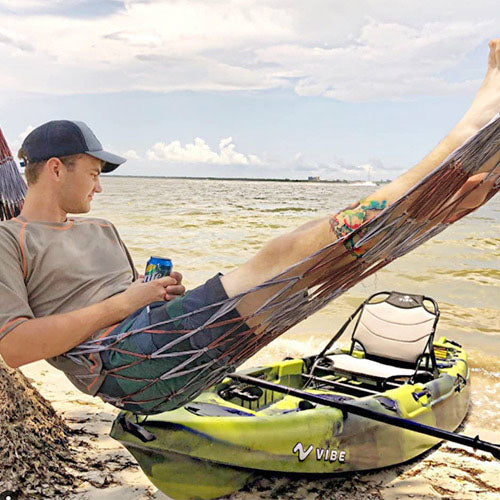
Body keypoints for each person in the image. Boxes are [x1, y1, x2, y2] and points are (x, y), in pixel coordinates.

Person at [1, 39, 499, 414]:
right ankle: (464, 132)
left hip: (163, 342)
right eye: (93, 173)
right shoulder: (11, 240)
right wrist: (128, 301)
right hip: (125, 365)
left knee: (318, 269)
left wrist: (152, 291)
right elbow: (15, 348)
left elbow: (126, 297)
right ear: (56, 168)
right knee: (284, 254)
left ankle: (446, 205)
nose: (100, 187)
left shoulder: (102, 229)